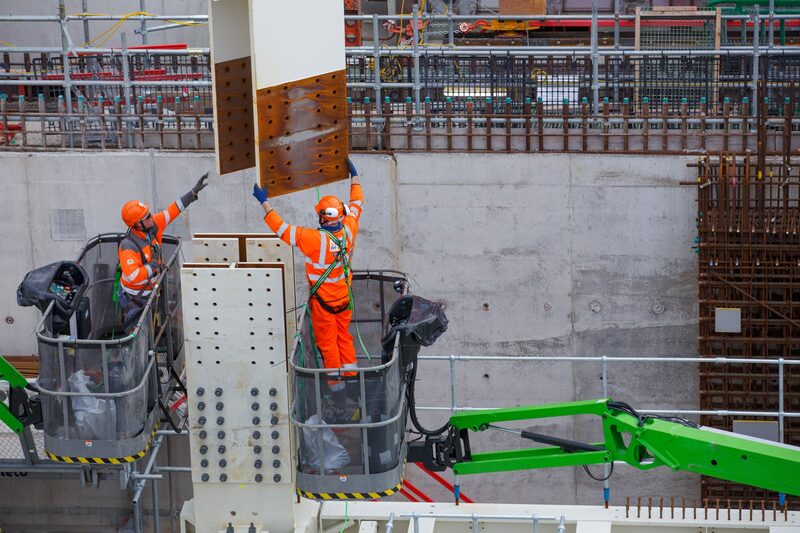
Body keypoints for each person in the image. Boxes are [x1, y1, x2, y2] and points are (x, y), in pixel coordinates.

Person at [253, 159, 363, 421]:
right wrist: (354, 175)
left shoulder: (313, 239)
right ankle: (355, 389)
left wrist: (264, 202)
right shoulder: (349, 229)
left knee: (329, 347)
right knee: (344, 339)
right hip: (344, 299)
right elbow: (357, 204)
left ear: (322, 218)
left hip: (324, 303)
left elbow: (281, 230)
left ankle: (338, 395)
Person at [117, 173, 209, 332]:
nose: (151, 218)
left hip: (149, 292)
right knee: (138, 335)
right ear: (137, 224)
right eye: (146, 217)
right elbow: (133, 276)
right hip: (134, 298)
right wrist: (153, 265)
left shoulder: (152, 227)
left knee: (149, 329)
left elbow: (171, 211)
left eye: (149, 214)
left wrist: (192, 193)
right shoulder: (128, 246)